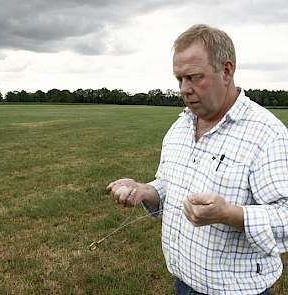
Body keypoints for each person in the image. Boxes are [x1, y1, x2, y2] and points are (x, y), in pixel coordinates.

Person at [107, 24, 288, 295]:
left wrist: (231, 214)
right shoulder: (180, 127)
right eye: (179, 79)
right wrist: (146, 191)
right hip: (182, 284)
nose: (184, 89)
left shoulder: (267, 134)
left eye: (193, 77)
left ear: (226, 71)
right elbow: (170, 185)